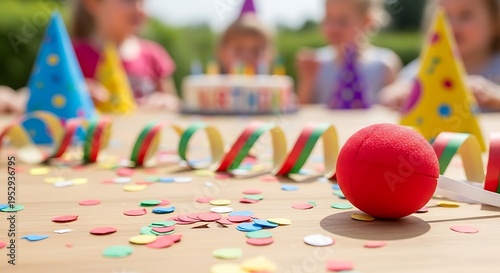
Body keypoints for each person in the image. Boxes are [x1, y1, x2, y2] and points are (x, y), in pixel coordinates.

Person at [381, 0, 500, 111]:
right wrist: (399, 96)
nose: (453, 25)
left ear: (495, 22)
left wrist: (493, 96)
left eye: (465, 15)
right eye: (444, 17)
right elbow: (387, 96)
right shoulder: (424, 67)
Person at [72, 0, 178, 111]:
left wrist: (166, 102)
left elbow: (174, 104)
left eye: (143, 2)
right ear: (92, 3)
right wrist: (74, 94)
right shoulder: (71, 55)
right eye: (129, 1)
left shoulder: (154, 55)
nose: (139, 9)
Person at [296, 0, 402, 108]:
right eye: (328, 19)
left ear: (367, 21)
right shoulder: (316, 63)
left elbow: (393, 110)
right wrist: (307, 80)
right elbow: (303, 112)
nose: (333, 28)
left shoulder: (384, 64)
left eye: (343, 21)